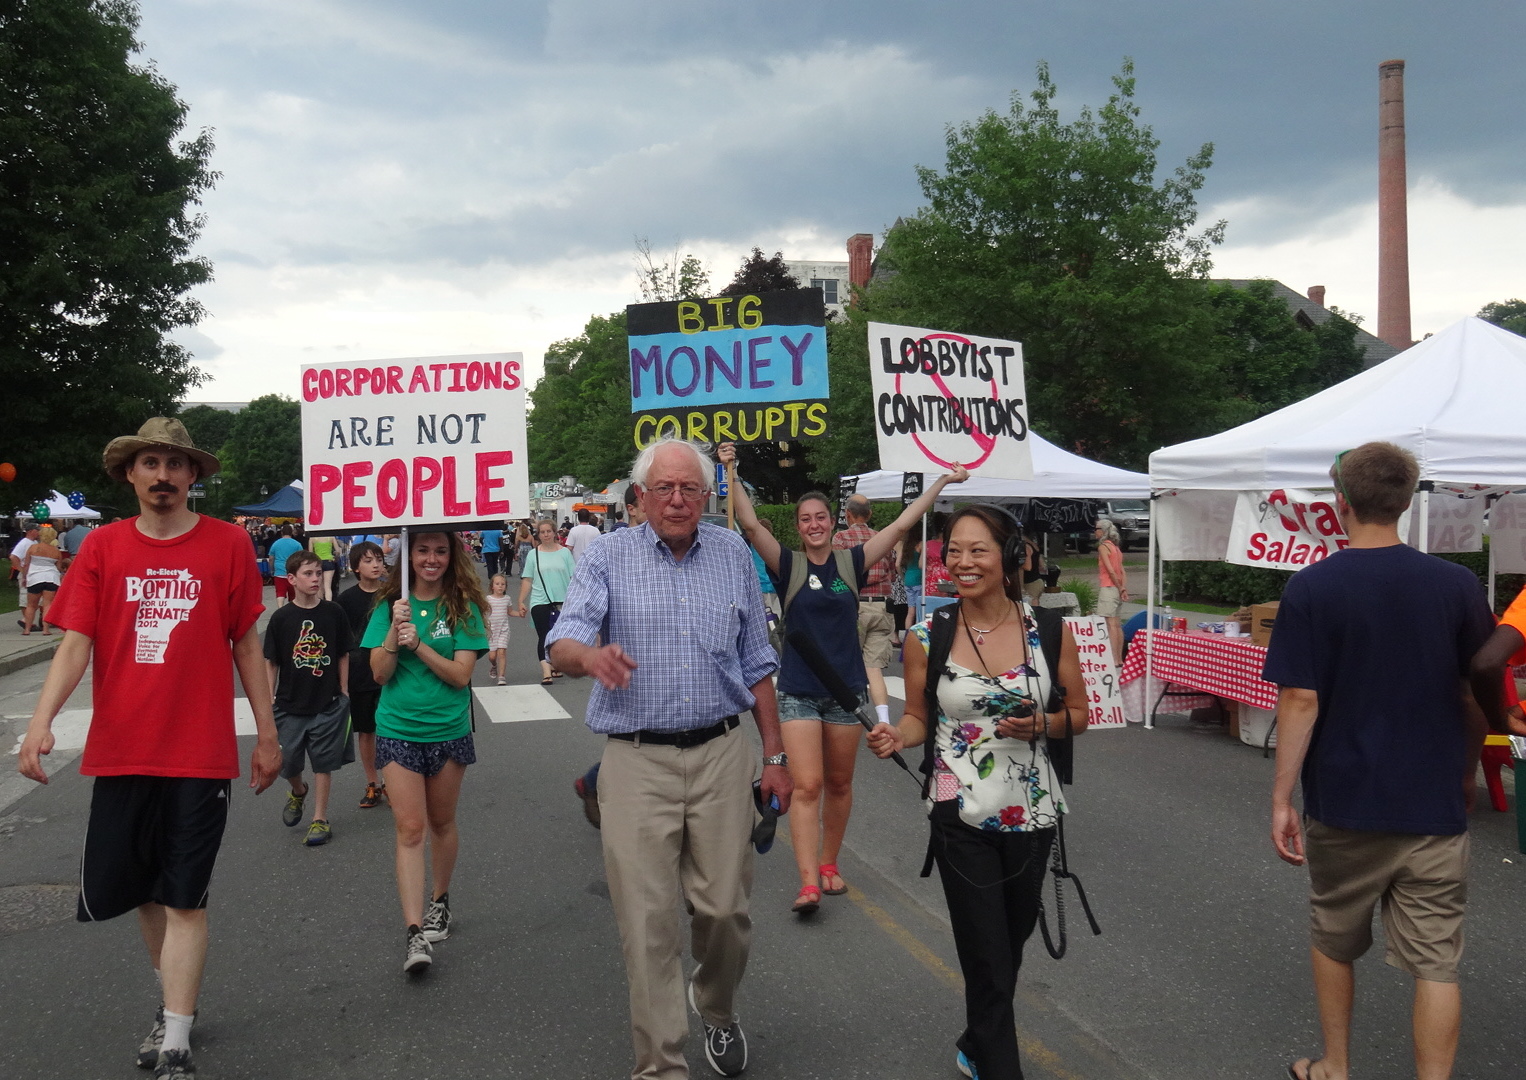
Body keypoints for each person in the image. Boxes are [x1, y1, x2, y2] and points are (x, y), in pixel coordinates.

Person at [16, 416, 281, 1080]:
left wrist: (268, 733)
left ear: (194, 476)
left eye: (175, 464)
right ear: (129, 474)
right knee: (144, 894)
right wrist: (41, 721)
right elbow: (74, 642)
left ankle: (177, 1041)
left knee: (185, 895)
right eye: (150, 464)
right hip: (122, 748)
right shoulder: (102, 549)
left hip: (199, 751)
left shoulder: (225, 547)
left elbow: (246, 644)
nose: (163, 476)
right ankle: (172, 1007)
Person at [548, 437, 791, 1080]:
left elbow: (758, 661)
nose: (678, 499)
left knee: (726, 912)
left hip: (720, 754)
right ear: (641, 497)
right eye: (665, 488)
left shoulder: (733, 552)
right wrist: (589, 657)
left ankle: (715, 1005)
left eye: (691, 488)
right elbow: (564, 636)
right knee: (648, 923)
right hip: (635, 762)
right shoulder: (607, 556)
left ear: (708, 496)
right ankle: (661, 1064)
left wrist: (776, 754)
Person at [1265, 442, 1495, 1080]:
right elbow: (1475, 691)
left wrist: (1282, 799)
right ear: (1405, 501)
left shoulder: (1312, 587)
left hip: (1346, 801)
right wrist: (1468, 770)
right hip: (1433, 802)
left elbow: (1300, 700)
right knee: (1436, 961)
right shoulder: (1455, 585)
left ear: (1341, 504)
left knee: (1335, 938)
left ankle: (1336, 1066)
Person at [867, 505, 1088, 1080]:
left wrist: (1045, 725)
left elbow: (1081, 715)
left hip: (1033, 812)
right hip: (957, 810)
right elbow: (919, 719)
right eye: (953, 552)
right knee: (985, 952)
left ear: (1012, 555)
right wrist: (898, 735)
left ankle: (974, 1037)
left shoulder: (1054, 629)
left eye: (978, 550)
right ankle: (1000, 1066)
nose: (962, 563)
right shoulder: (926, 636)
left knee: (1008, 946)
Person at [721, 441, 968, 912]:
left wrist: (942, 481)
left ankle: (830, 863)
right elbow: (750, 523)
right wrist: (730, 469)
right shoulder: (787, 565)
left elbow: (900, 523)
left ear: (832, 523)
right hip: (798, 693)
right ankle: (809, 881)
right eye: (805, 519)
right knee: (807, 785)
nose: (813, 525)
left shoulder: (851, 565)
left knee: (839, 784)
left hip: (846, 694)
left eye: (820, 517)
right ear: (797, 527)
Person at [363, 531, 488, 974]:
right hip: (397, 730)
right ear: (407, 554)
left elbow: (460, 676)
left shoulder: (465, 608)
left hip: (448, 730)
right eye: (422, 550)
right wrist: (396, 635)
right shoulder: (387, 606)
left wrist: (420, 645)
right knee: (410, 829)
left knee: (441, 822)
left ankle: (440, 900)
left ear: (451, 556)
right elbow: (379, 674)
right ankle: (414, 931)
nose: (430, 559)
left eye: (439, 550)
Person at [571, 485, 649, 828]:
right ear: (632, 509)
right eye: (646, 503)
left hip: (665, 650)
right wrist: (593, 650)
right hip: (623, 655)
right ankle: (597, 781)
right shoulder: (611, 547)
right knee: (638, 741)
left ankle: (597, 780)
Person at [264, 550, 353, 846]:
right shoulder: (281, 618)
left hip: (326, 702)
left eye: (318, 573)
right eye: (308, 574)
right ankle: (298, 791)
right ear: (291, 579)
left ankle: (319, 818)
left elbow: (342, 652)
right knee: (288, 762)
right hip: (289, 703)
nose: (315, 579)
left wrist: (343, 689)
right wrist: (269, 696)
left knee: (323, 762)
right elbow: (272, 661)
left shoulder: (333, 612)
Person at [832, 494, 898, 718]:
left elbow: (835, 574)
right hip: (881, 608)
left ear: (847, 514)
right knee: (874, 668)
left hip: (854, 608)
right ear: (869, 514)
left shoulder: (841, 539)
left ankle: (847, 715)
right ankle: (884, 719)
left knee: (846, 662)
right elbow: (893, 574)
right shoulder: (882, 539)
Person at [337, 540, 389, 809]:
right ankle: (373, 783)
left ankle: (392, 782)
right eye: (368, 560)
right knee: (366, 731)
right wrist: (341, 681)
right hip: (359, 673)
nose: (376, 564)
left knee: (390, 729)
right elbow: (341, 642)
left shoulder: (393, 594)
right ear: (356, 567)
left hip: (392, 670)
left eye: (378, 559)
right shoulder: (346, 600)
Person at [518, 520, 574, 686]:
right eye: (542, 532)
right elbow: (528, 579)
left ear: (554, 532)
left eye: (549, 531)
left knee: (559, 638)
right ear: (538, 534)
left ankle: (556, 664)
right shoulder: (533, 555)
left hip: (562, 601)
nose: (546, 535)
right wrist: (521, 600)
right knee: (544, 635)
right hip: (540, 600)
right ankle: (546, 672)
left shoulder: (564, 553)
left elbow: (573, 578)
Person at [21, 524, 64, 636]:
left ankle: (27, 629)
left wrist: (25, 577)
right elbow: (58, 568)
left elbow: (26, 564)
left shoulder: (33, 548)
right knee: (47, 604)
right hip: (51, 578)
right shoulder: (56, 551)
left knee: (31, 605)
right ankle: (45, 629)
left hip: (35, 577)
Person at [1094, 518, 1127, 664]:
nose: (1095, 532)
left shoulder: (1103, 547)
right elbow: (1122, 570)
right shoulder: (1116, 548)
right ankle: (1119, 657)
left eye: (1096, 529)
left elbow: (1111, 570)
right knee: (1117, 624)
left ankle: (1113, 659)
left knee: (1111, 624)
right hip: (1117, 588)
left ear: (1102, 531)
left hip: (1108, 587)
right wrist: (1122, 587)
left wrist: (1119, 586)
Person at [11, 521, 40, 631]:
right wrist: (21, 569)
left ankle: (28, 620)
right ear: (30, 531)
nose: (38, 532)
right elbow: (13, 556)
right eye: (37, 530)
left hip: (33, 572)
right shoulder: (24, 543)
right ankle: (28, 621)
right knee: (25, 598)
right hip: (26, 573)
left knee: (33, 598)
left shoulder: (34, 542)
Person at [485, 573, 513, 685]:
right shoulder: (488, 599)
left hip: (503, 630)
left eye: (503, 584)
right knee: (492, 656)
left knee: (501, 653)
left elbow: (510, 612)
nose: (500, 586)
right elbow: (483, 612)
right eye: (497, 584)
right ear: (492, 586)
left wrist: (520, 613)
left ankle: (501, 676)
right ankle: (494, 665)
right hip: (491, 631)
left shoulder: (507, 599)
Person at [268, 526, 302, 608]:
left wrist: (272, 569)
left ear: (281, 533)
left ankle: (280, 608)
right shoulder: (297, 544)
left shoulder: (276, 544)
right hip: (292, 571)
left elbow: (271, 558)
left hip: (279, 571)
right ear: (292, 533)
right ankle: (293, 609)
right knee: (293, 593)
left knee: (280, 593)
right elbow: (301, 558)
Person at [309, 533, 337, 600]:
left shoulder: (312, 538)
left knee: (319, 586)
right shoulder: (331, 537)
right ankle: (329, 604)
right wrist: (335, 558)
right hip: (329, 561)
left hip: (317, 563)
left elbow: (310, 553)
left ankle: (320, 604)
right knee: (327, 587)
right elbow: (338, 550)